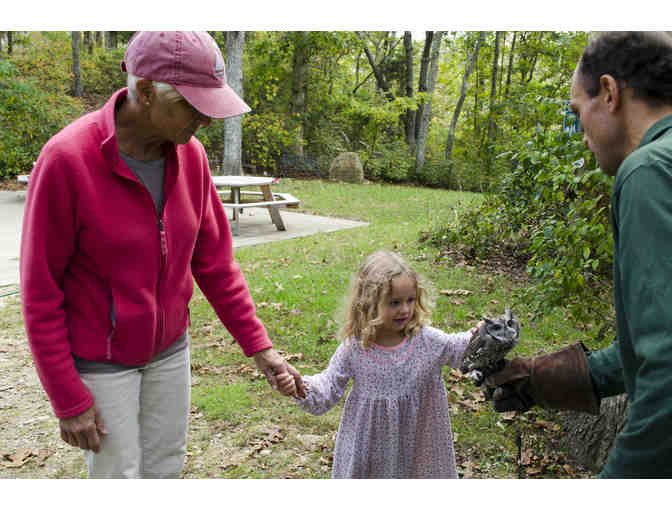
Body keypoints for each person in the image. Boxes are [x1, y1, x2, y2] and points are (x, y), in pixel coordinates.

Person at [20, 31, 304, 479]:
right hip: (102, 362)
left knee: (165, 470)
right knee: (119, 478)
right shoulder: (67, 160)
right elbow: (40, 291)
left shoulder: (192, 157)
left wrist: (260, 347)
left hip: (169, 351)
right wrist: (67, 397)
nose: (205, 120)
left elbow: (214, 263)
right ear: (147, 90)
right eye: (193, 105)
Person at [485, 31, 672, 478]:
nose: (581, 134)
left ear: (608, 93)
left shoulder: (647, 171)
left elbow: (666, 369)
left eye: (576, 114)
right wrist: (546, 377)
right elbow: (647, 352)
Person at [277, 250, 478, 478]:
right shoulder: (355, 348)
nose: (404, 309)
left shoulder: (426, 340)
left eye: (410, 300)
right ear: (369, 303)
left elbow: (458, 349)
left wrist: (481, 337)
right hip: (371, 448)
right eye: (394, 302)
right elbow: (328, 386)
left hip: (419, 445)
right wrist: (299, 387)